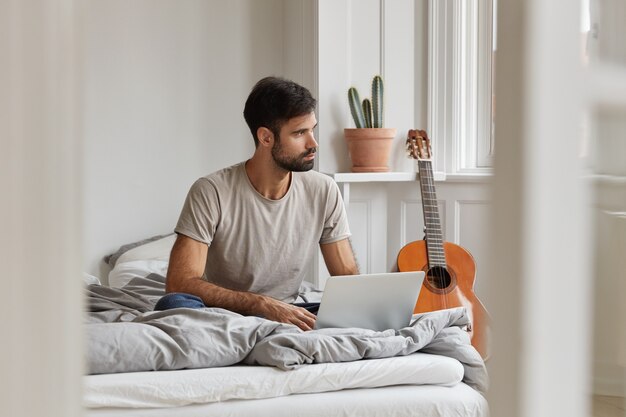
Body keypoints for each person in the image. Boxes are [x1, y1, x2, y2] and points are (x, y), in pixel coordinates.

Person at [155, 76, 359, 331]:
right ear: (265, 137)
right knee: (173, 304)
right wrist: (261, 304)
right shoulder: (211, 191)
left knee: (339, 312)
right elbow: (179, 282)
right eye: (299, 133)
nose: (313, 143)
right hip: (222, 313)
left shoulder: (324, 190)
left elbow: (348, 277)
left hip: (290, 312)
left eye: (312, 130)